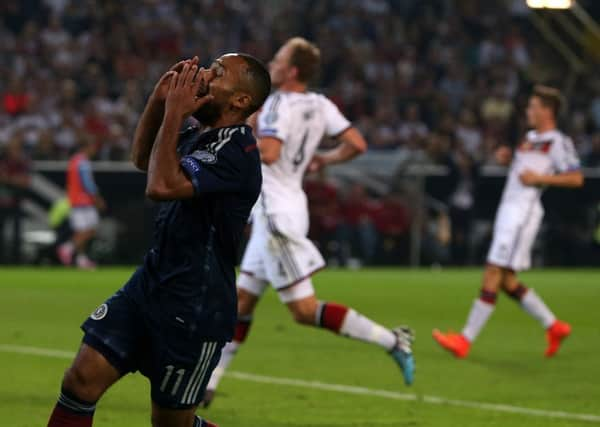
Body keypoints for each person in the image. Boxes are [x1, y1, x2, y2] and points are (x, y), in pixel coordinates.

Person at [46, 53, 270, 427]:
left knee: (170, 423)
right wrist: (159, 99)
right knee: (80, 380)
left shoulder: (238, 151)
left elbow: (161, 185)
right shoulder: (197, 134)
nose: (202, 75)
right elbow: (142, 158)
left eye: (216, 73)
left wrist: (174, 113)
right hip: (148, 285)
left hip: (194, 305)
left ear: (240, 100)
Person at [203, 37, 415, 407]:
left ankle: (392, 340)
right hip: (291, 205)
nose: (274, 61)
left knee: (302, 311)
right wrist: (323, 160)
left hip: (275, 218)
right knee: (241, 302)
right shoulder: (319, 104)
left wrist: (239, 135)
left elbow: (269, 152)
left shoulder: (276, 103)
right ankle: (208, 384)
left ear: (293, 70)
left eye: (280, 59)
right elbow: (357, 144)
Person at [433, 86, 584, 358]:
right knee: (507, 281)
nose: (528, 111)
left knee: (493, 271)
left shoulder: (558, 141)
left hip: (522, 213)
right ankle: (554, 325)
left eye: (533, 106)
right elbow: (524, 169)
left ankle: (464, 340)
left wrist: (540, 180)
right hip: (508, 210)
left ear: (547, 111)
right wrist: (509, 160)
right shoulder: (530, 138)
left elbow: (575, 178)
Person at [57, 138, 106, 269]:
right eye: (92, 147)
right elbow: (88, 183)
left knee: (80, 232)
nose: (94, 150)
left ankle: (81, 259)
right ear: (86, 147)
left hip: (75, 201)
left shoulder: (73, 161)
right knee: (91, 229)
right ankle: (67, 247)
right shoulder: (83, 162)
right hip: (84, 201)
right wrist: (97, 198)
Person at [0, 135, 31, 263]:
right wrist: (14, 180)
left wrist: (9, 179)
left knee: (17, 233)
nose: (15, 152)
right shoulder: (3, 161)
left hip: (16, 202)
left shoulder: (22, 163)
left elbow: (25, 182)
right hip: (1, 203)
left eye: (17, 149)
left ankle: (15, 261)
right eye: (13, 149)